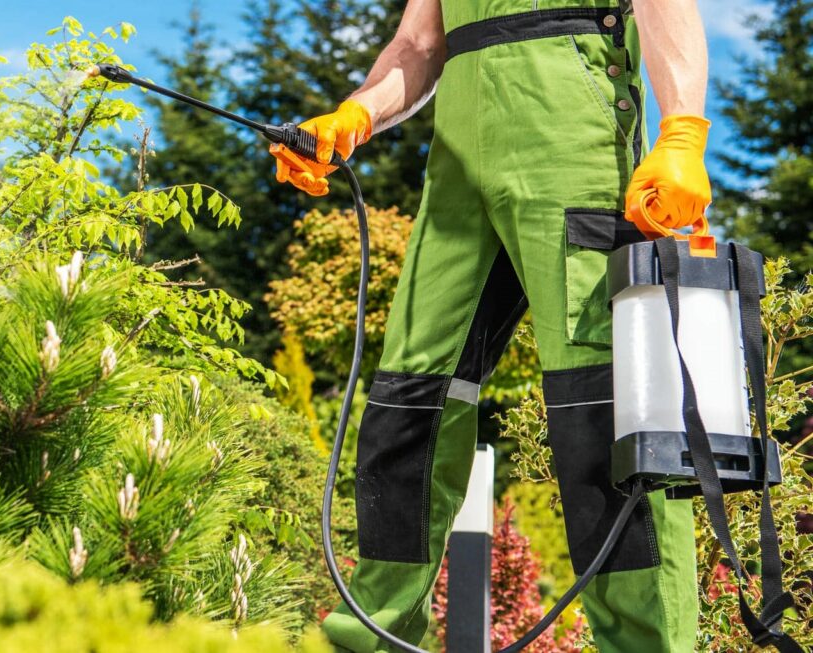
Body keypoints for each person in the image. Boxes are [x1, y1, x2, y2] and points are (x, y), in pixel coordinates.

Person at [269, 1, 711, 651]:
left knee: (605, 412)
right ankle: (371, 635)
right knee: (407, 402)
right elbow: (418, 45)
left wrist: (681, 133)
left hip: (572, 124)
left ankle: (652, 644)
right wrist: (355, 115)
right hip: (458, 160)